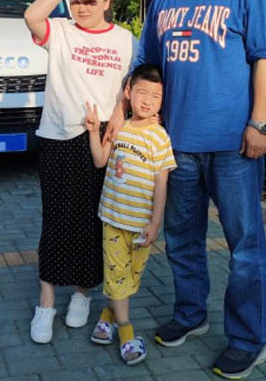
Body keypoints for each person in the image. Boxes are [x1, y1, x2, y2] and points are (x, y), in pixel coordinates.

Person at [107, 0, 266, 379]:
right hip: (175, 145)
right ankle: (190, 314)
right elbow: (144, 65)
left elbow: (265, 58)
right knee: (182, 238)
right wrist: (121, 112)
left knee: (244, 245)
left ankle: (248, 340)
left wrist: (259, 124)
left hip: (233, 146)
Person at [24, 0, 137, 344]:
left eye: (90, 0)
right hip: (58, 135)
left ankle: (83, 293)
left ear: (108, 1)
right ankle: (46, 302)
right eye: (76, 0)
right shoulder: (60, 31)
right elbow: (31, 15)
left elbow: (130, 86)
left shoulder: (125, 39)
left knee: (92, 220)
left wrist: (119, 114)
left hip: (102, 138)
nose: (81, 7)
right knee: (55, 218)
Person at [86, 63, 176, 365]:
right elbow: (100, 161)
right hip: (113, 218)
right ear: (128, 92)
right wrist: (93, 132)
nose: (148, 101)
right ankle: (126, 333)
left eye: (156, 96)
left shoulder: (159, 137)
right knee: (116, 276)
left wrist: (155, 223)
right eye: (142, 93)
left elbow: (162, 182)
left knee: (131, 278)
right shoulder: (119, 127)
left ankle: (107, 316)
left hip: (141, 225)